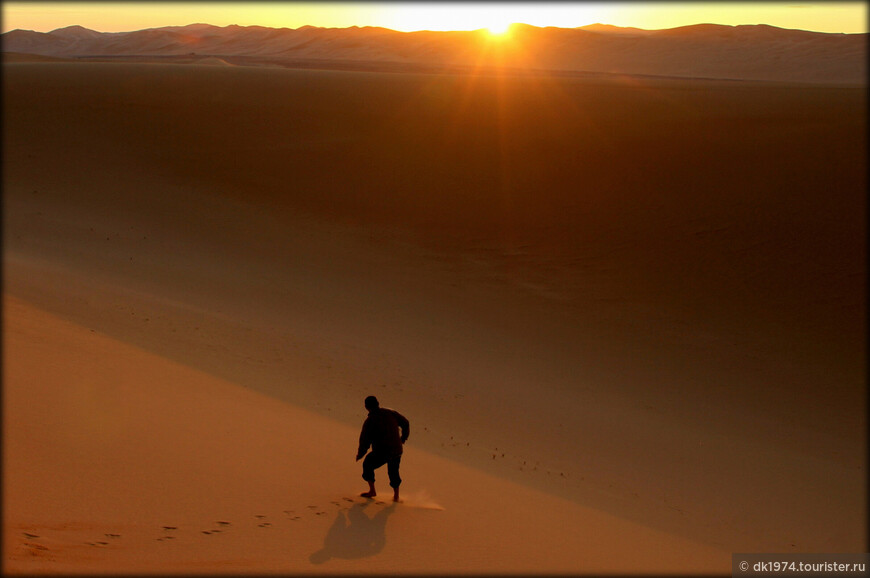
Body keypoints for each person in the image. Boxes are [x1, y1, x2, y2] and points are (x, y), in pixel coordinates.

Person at [356, 395, 409, 502]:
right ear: (378, 403)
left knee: (367, 464)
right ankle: (396, 496)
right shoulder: (390, 412)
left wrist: (360, 454)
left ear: (366, 407)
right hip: (397, 450)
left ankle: (372, 491)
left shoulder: (369, 421)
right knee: (393, 471)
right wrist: (403, 438)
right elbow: (405, 423)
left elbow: (364, 441)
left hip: (383, 451)